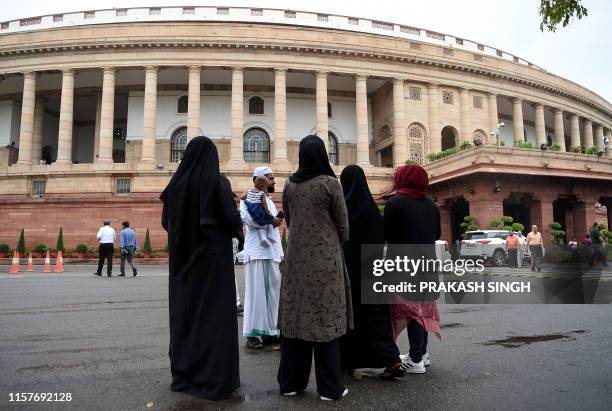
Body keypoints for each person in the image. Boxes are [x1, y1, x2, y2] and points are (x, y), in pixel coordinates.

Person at [160, 136, 243, 401]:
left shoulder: (174, 185)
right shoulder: (217, 182)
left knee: (186, 317)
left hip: (182, 265)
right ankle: (215, 378)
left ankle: (185, 375)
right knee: (214, 318)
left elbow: (166, 223)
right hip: (213, 263)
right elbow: (231, 221)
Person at [278, 135, 352, 401]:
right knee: (325, 317)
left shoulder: (289, 185)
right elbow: (343, 224)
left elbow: (288, 217)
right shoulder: (331, 184)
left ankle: (290, 383)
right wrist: (333, 241)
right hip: (325, 259)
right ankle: (330, 388)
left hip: (296, 259)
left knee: (296, 317)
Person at [339, 165, 404, 380]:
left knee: (350, 315)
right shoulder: (372, 209)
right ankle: (391, 358)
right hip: (372, 269)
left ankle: (347, 362)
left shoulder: (341, 209)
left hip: (347, 271)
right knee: (376, 316)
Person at [384, 164, 441, 375]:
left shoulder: (395, 203)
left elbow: (388, 235)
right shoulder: (431, 205)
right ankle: (422, 354)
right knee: (422, 308)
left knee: (410, 309)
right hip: (426, 262)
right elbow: (436, 234)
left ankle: (416, 358)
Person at [240, 166, 283, 350]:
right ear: (261, 179)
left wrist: (275, 220)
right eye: (271, 178)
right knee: (256, 294)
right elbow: (250, 220)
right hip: (257, 251)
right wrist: (270, 220)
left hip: (272, 251)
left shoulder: (269, 201)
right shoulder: (246, 200)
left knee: (272, 294)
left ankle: (270, 332)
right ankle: (252, 333)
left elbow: (272, 223)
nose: (274, 181)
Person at [242, 176, 278, 247]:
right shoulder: (262, 194)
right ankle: (270, 236)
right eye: (266, 187)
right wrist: (268, 214)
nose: (266, 189)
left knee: (261, 224)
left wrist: (244, 198)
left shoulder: (248, 191)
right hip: (260, 212)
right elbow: (264, 205)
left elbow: (243, 197)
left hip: (252, 211)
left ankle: (263, 238)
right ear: (261, 185)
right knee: (269, 220)